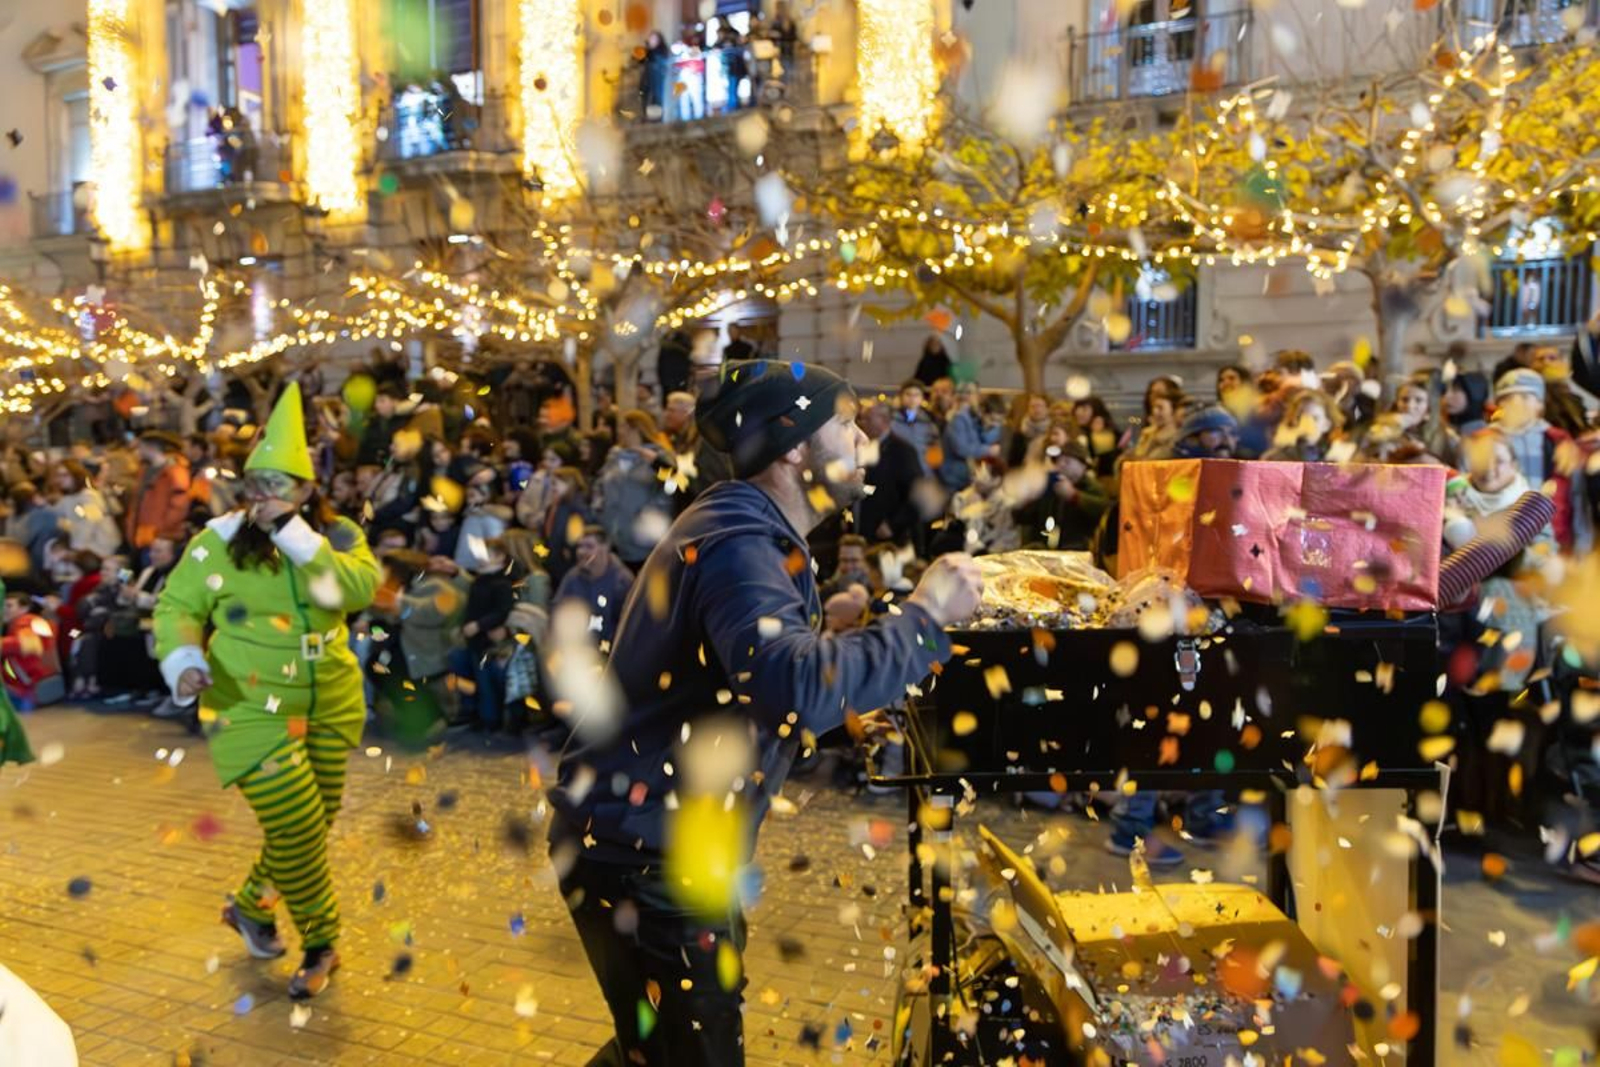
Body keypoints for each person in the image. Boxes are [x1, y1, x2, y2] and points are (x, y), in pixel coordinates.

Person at [549, 359, 981, 1066]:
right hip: (645, 857)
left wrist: (839, 662)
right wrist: (926, 619)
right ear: (794, 447)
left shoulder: (745, 525)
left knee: (655, 1047)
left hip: (647, 842)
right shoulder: (739, 541)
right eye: (845, 424)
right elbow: (791, 686)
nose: (865, 439)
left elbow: (749, 681)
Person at [153, 383, 380, 1000]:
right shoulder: (218, 541)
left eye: (279, 485)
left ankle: (251, 906)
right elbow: (176, 606)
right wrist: (183, 659)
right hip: (248, 703)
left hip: (331, 699)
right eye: (257, 484)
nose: (263, 496)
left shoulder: (337, 537)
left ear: (306, 490)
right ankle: (322, 942)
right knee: (299, 826)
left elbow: (356, 591)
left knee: (311, 823)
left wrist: (294, 534)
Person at [1493, 368, 1587, 553]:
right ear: (1499, 403)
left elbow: (1577, 494)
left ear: (1540, 404)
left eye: (1525, 397)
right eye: (1508, 397)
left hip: (1553, 541)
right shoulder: (1485, 440)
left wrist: (1580, 544)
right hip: (1500, 543)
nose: (1517, 403)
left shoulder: (1558, 441)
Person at [593, 411, 674, 569]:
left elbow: (671, 487)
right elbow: (599, 485)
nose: (620, 432)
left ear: (637, 429)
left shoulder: (659, 456)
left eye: (624, 427)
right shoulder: (614, 456)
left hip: (644, 541)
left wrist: (650, 515)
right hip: (613, 539)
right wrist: (599, 511)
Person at [856, 399, 925, 551]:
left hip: (893, 539)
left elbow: (918, 495)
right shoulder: (862, 449)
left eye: (867, 418)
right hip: (864, 535)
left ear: (884, 421)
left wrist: (893, 524)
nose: (861, 423)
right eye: (860, 418)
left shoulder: (902, 451)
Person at [553, 525, 635, 649]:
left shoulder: (622, 582)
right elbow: (557, 610)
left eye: (589, 547)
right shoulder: (572, 577)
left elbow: (629, 627)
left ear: (605, 548)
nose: (581, 552)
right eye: (580, 546)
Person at [125, 431, 192, 557]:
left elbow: (179, 505)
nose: (137, 452)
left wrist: (160, 531)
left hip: (161, 539)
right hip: (142, 536)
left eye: (140, 447)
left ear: (151, 447)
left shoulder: (175, 471)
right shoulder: (144, 471)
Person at [937, 381, 1002, 493]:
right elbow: (961, 449)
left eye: (971, 393)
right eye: (965, 393)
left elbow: (985, 439)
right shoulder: (958, 419)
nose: (967, 397)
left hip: (967, 477)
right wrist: (988, 450)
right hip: (953, 479)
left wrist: (991, 427)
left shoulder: (975, 417)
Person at [50, 460, 121, 559]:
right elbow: (54, 513)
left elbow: (91, 521)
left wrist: (77, 549)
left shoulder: (88, 497)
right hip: (83, 545)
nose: (61, 479)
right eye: (59, 475)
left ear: (76, 476)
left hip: (100, 545)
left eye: (65, 475)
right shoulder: (69, 498)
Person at [889, 380, 940, 475]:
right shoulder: (891, 420)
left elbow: (934, 448)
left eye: (916, 395)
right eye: (908, 394)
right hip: (898, 473)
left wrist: (934, 471)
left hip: (924, 472)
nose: (912, 398)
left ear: (922, 398)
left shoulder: (929, 422)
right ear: (901, 396)